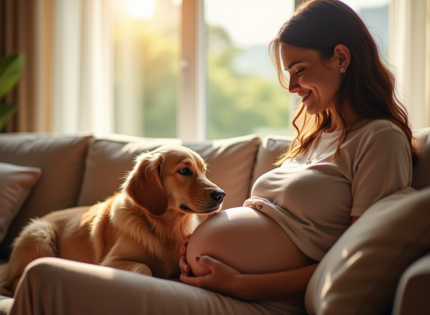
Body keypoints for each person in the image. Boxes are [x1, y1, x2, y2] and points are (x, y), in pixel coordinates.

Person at [9, 1, 418, 314]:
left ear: (341, 58)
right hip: (202, 281)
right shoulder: (320, 136)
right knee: (40, 276)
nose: (291, 86)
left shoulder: (378, 139)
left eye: (299, 69)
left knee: (44, 278)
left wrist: (243, 284)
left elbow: (353, 262)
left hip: (252, 299)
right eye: (288, 73)